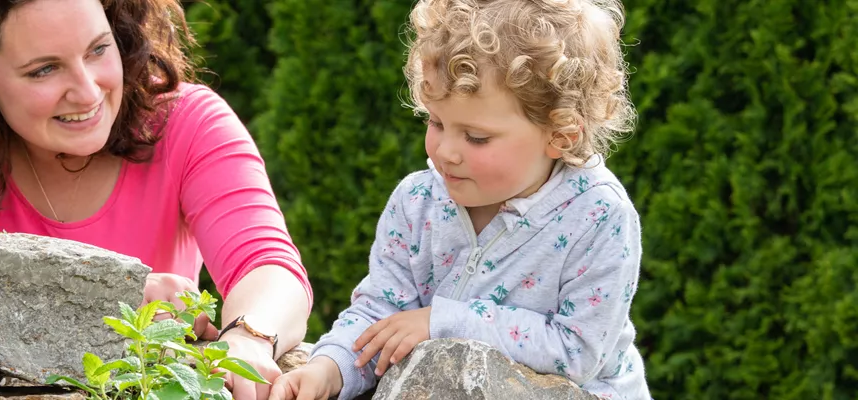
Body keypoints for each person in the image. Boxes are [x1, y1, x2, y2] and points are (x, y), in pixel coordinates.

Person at [0, 0, 312, 398]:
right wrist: (106, 295)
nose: (88, 92)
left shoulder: (188, 121)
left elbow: (269, 265)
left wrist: (248, 336)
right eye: (44, 69)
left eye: (98, 50)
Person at [269, 0, 649, 398]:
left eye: (476, 137)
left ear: (560, 135)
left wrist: (443, 322)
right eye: (435, 121)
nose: (445, 151)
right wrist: (329, 369)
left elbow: (577, 351)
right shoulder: (418, 202)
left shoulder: (599, 216)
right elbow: (381, 311)